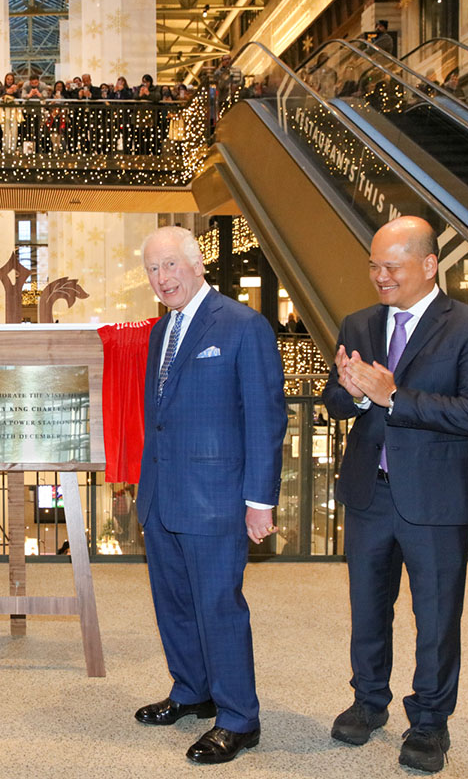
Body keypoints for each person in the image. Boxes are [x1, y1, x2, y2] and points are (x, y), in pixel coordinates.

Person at [322, 216, 468, 773]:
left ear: (429, 265)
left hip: (437, 498)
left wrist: (395, 397)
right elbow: (335, 399)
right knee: (367, 610)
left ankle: (429, 723)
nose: (379, 276)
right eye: (374, 265)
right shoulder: (357, 323)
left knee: (437, 616)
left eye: (391, 266)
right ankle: (368, 701)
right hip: (369, 494)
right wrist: (352, 396)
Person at [133, 226, 286, 765]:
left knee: (219, 608)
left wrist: (260, 499)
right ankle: (191, 691)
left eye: (171, 265)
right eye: (153, 269)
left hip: (218, 498)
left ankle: (240, 718)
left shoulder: (244, 326)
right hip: (163, 494)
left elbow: (267, 418)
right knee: (173, 605)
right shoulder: (159, 332)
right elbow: (161, 419)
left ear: (198, 265)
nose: (162, 278)